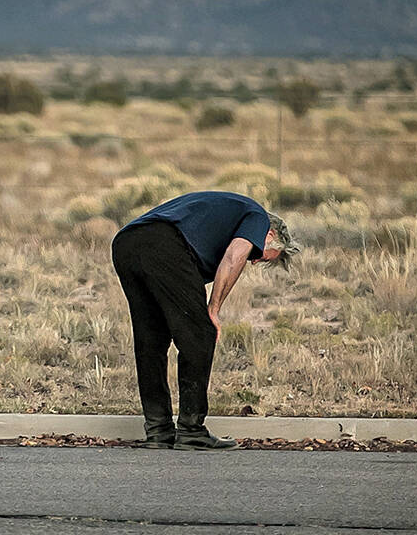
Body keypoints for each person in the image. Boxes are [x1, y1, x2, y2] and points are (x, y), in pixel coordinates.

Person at [111, 191, 299, 450]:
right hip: (163, 243)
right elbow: (234, 257)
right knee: (201, 334)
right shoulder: (257, 217)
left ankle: (158, 432)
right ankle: (191, 431)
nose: (253, 261)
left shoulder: (223, 218)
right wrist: (214, 309)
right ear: (271, 235)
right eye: (260, 255)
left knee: (151, 341)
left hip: (126, 243)